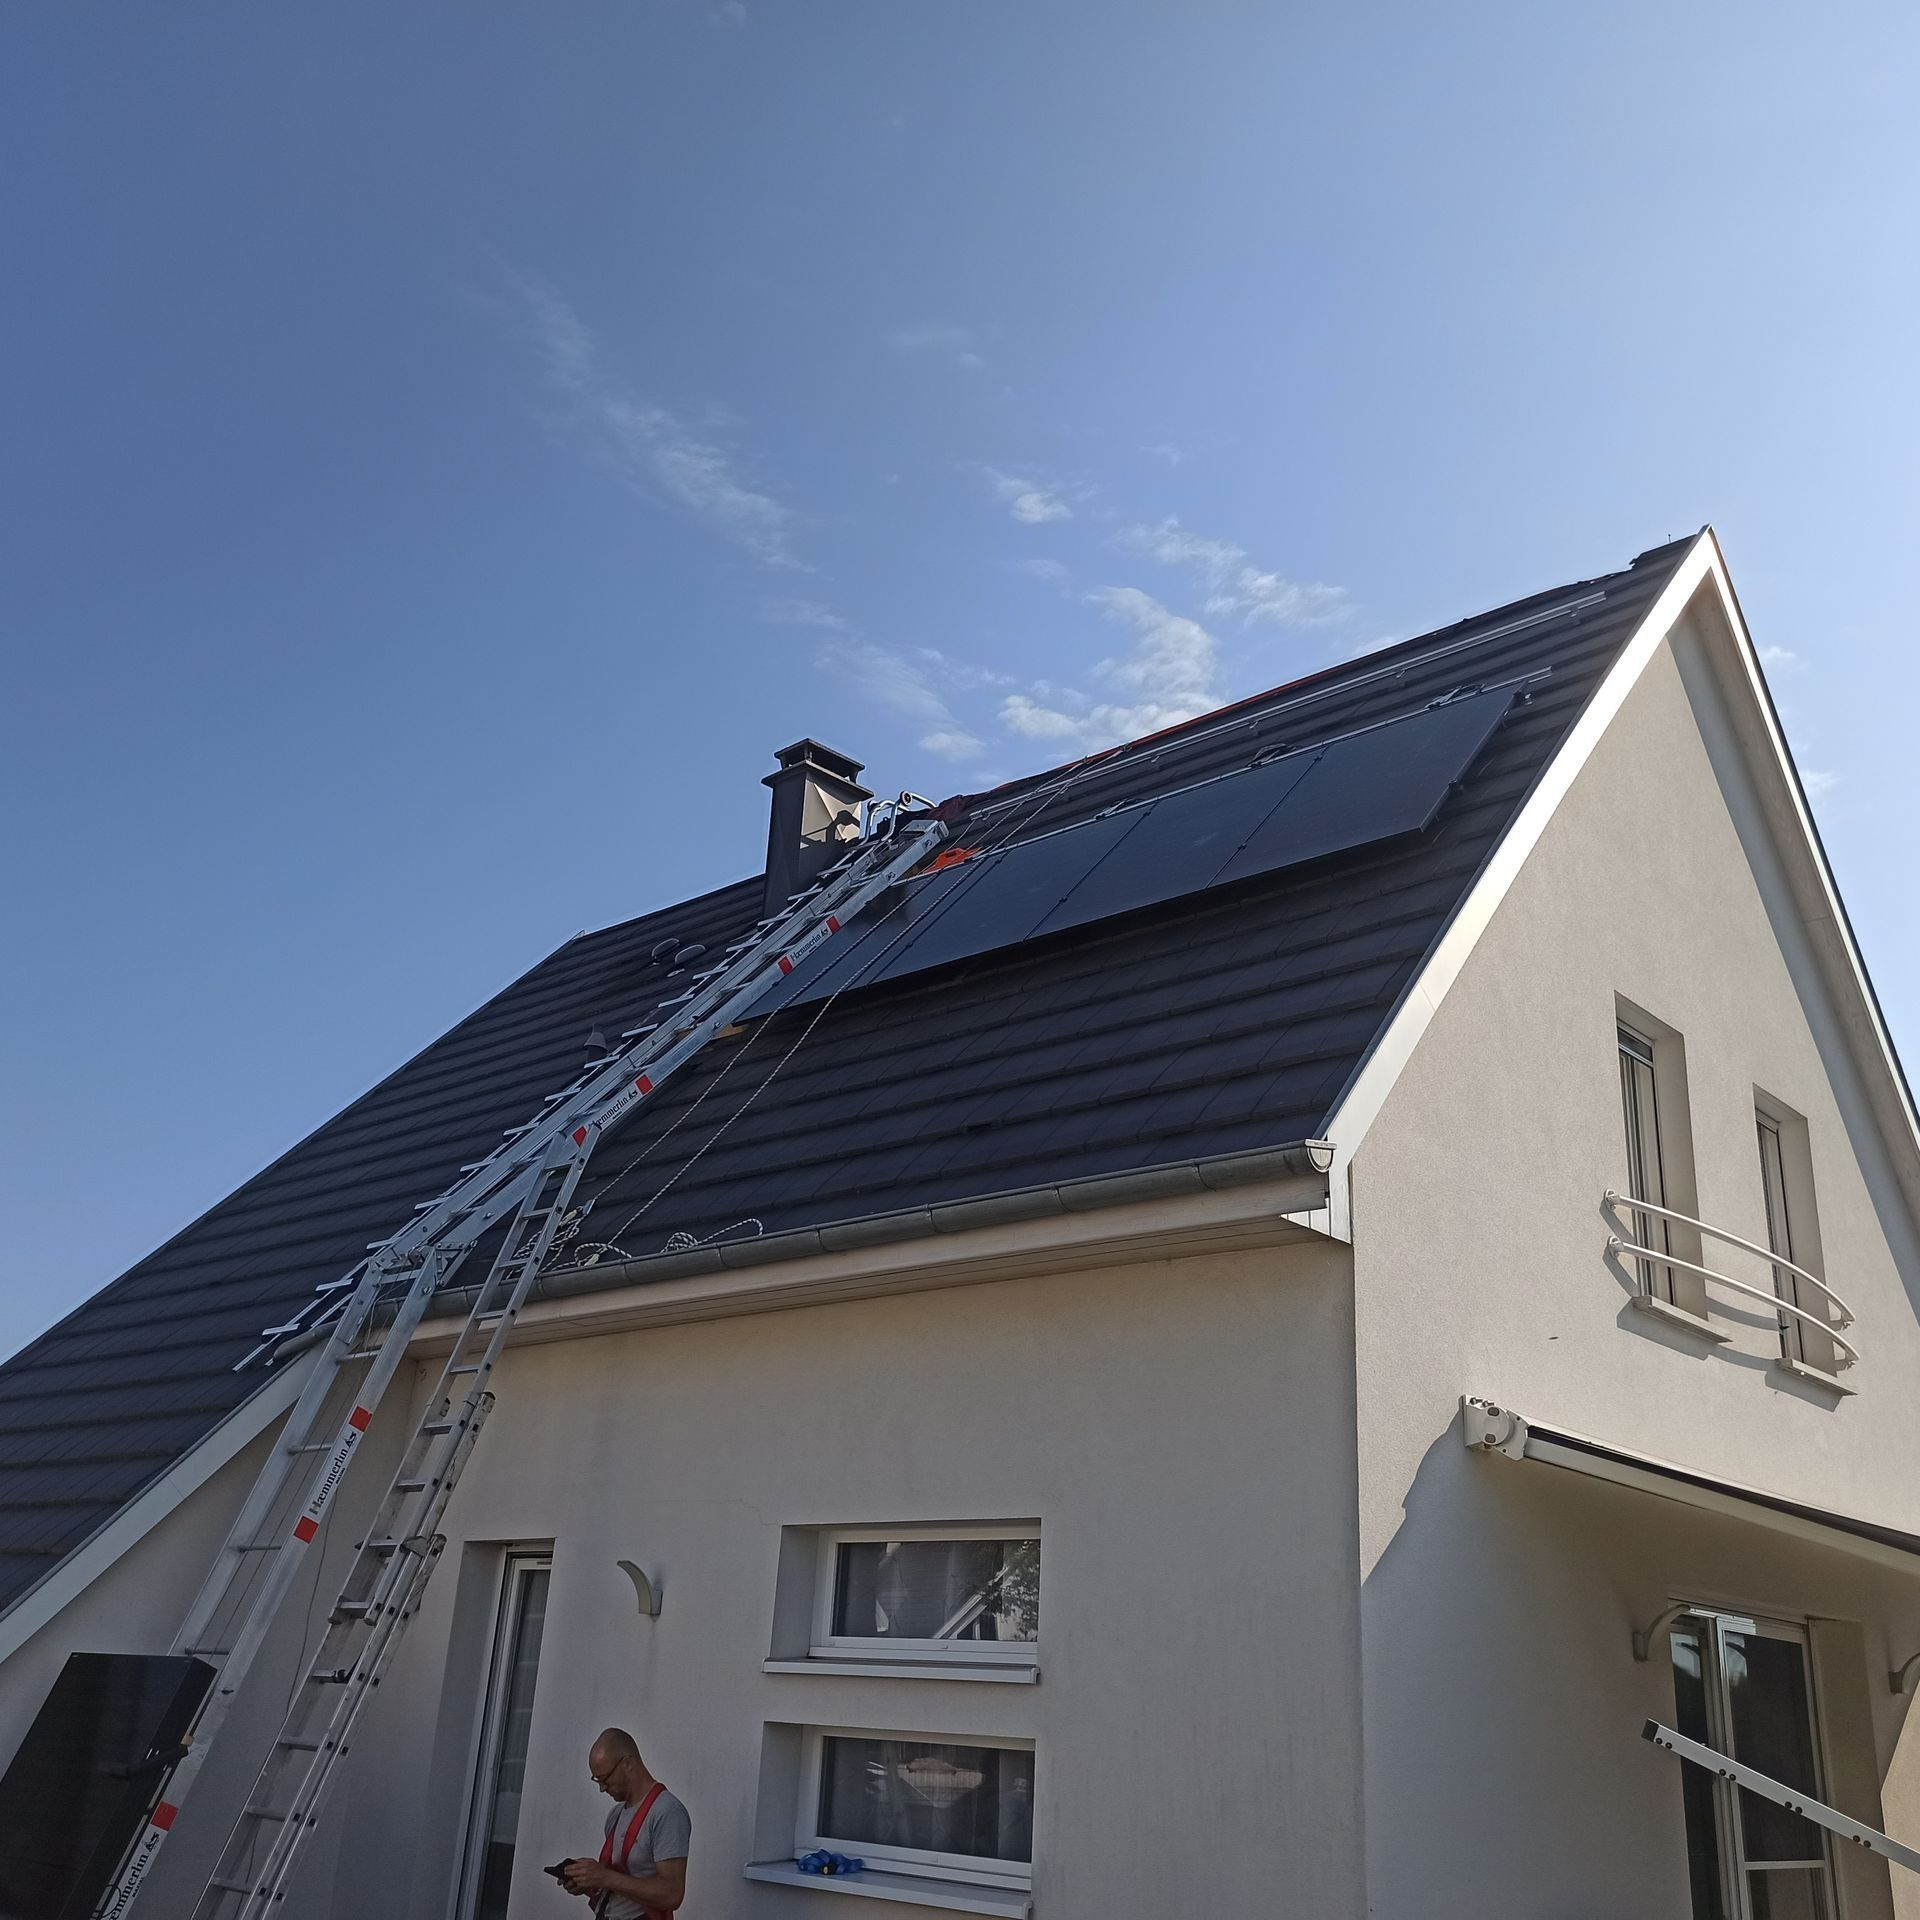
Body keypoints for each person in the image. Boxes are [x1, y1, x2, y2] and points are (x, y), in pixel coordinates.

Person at [560, 1727, 690, 1918]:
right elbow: (620, 1889)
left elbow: (672, 1894)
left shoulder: (667, 1812)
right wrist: (587, 1883)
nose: (602, 1789)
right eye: (597, 1781)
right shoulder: (616, 1815)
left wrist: (604, 1877)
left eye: (605, 1779)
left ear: (628, 1764)